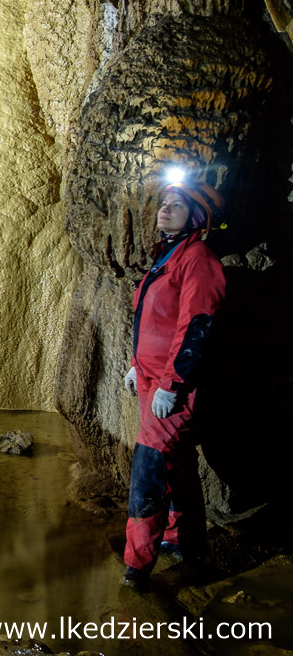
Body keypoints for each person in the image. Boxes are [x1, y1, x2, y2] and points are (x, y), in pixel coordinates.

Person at [121, 171, 226, 590]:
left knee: (148, 467)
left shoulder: (198, 258)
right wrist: (136, 363)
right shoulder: (166, 256)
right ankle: (183, 539)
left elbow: (196, 324)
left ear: (197, 217)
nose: (164, 208)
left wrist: (172, 383)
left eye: (176, 205)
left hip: (174, 384)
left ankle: (136, 565)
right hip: (150, 376)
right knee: (175, 462)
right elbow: (150, 319)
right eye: (164, 202)